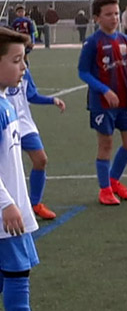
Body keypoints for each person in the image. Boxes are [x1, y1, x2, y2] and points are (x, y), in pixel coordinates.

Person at [0, 27, 67, 311]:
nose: (23, 67)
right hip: (5, 214)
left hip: (11, 208)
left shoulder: (6, 103)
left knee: (9, 275)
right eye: (16, 60)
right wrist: (6, 203)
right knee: (17, 272)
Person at [77, 0, 127, 206]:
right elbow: (83, 72)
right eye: (108, 14)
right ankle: (104, 189)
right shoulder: (92, 43)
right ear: (97, 18)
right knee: (105, 144)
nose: (114, 18)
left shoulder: (125, 41)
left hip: (125, 100)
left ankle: (113, 181)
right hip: (102, 104)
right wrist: (104, 90)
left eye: (116, 13)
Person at [7, 43, 66, 220]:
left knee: (41, 160)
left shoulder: (24, 71)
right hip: (6, 123)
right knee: (8, 167)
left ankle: (35, 204)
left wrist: (52, 100)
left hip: (24, 124)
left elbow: (31, 95)